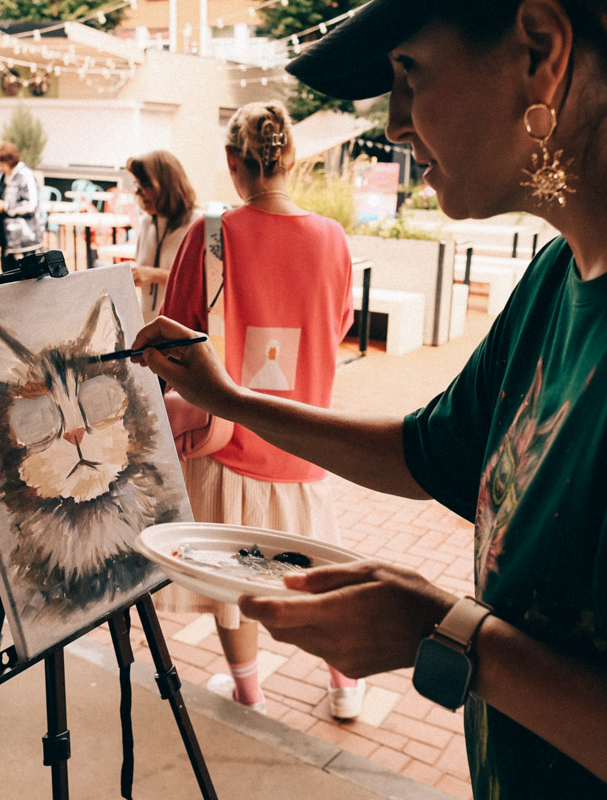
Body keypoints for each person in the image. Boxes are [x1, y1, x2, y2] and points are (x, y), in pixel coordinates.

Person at [131, 0, 607, 797]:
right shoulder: (564, 273)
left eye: (409, 73)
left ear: (540, 50)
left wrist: (450, 636)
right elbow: (427, 450)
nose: (393, 122)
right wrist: (228, 396)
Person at [153, 100, 363, 719]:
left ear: (232, 162)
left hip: (228, 444)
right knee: (318, 580)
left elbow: (176, 334)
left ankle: (249, 692)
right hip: (306, 439)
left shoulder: (209, 235)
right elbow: (340, 322)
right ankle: (346, 688)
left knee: (232, 581)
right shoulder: (333, 238)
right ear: (292, 158)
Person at [125, 150, 201, 321]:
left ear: (168, 185)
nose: (139, 193)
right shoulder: (147, 223)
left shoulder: (195, 224)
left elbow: (198, 286)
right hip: (147, 325)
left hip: (180, 330)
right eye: (137, 185)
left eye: (146, 185)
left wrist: (152, 275)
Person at [0, 142, 43, 264]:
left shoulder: (25, 175)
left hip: (25, 239)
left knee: (27, 279)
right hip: (6, 239)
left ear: (9, 161)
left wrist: (6, 206)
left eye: (1, 163)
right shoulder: (2, 176)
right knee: (7, 275)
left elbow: (31, 204)